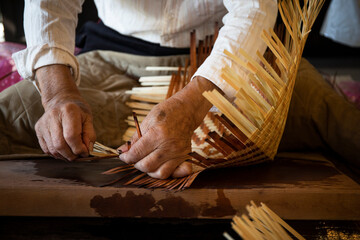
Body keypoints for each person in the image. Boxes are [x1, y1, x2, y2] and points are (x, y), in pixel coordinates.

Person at [4, 0, 360, 179]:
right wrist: (58, 94)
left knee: (338, 122)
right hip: (115, 55)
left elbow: (255, 8)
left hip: (235, 56)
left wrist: (193, 104)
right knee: (11, 114)